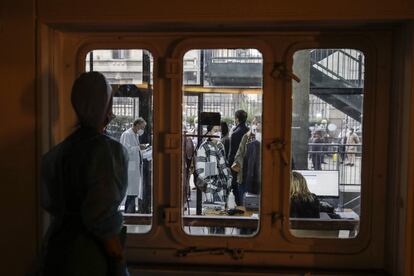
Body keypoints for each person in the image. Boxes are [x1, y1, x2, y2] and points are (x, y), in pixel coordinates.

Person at [40, 71, 129, 275]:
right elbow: (100, 217)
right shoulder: (108, 152)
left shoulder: (60, 151)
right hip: (88, 254)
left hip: (57, 248)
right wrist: (119, 261)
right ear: (105, 106)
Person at [120, 117, 147, 213]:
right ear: (137, 125)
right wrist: (138, 147)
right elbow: (125, 149)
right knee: (130, 193)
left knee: (133, 192)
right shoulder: (127, 134)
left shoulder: (135, 135)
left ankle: (130, 212)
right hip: (130, 168)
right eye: (142, 127)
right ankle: (128, 213)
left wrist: (143, 150)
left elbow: (135, 150)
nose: (142, 130)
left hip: (134, 168)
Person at [228, 110, 249, 206]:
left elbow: (232, 154)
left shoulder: (235, 133)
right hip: (248, 165)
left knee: (236, 189)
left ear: (237, 119)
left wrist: (230, 166)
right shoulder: (249, 132)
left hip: (237, 166)